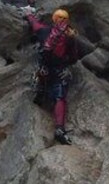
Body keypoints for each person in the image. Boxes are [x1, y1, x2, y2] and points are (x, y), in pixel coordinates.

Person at [25, 8, 80, 145]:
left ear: (54, 19)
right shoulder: (69, 36)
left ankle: (39, 91)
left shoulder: (44, 30)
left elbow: (34, 24)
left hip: (43, 68)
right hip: (59, 69)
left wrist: (29, 14)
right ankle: (60, 128)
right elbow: (74, 58)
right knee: (60, 97)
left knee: (40, 72)